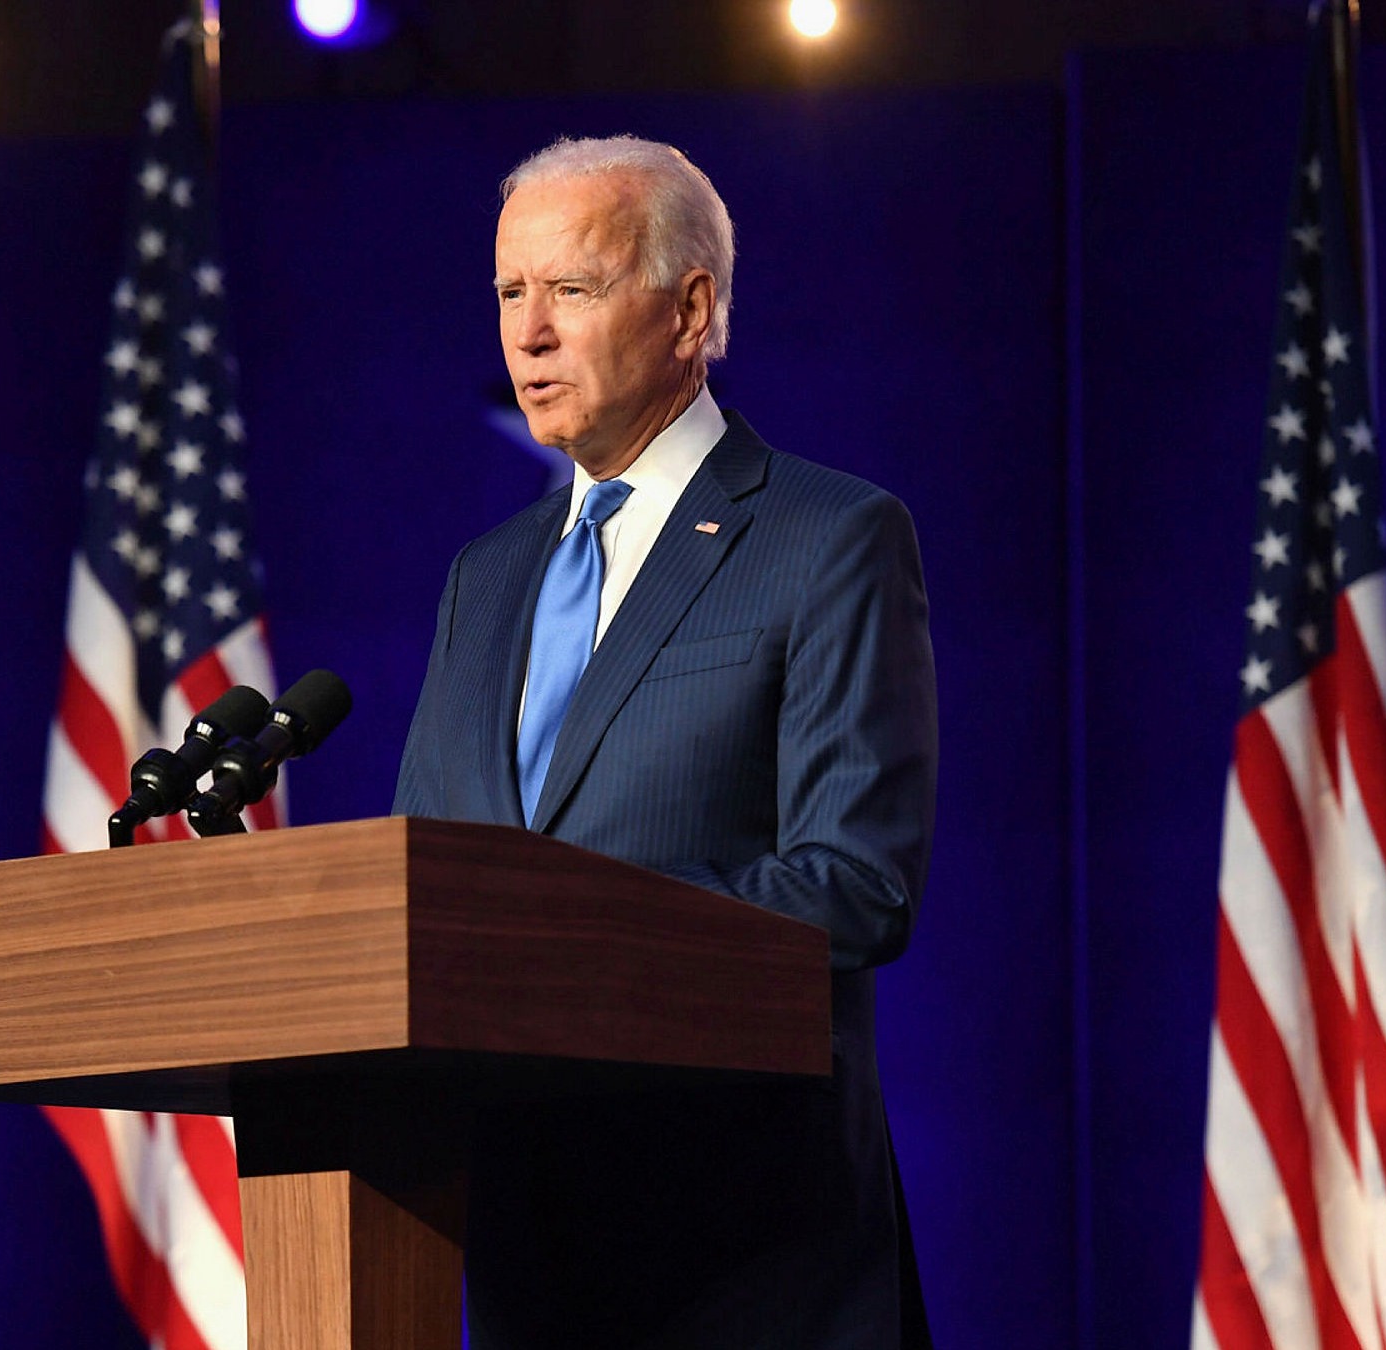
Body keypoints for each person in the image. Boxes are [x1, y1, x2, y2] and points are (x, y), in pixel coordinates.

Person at [393, 135, 940, 1348]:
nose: (527, 333)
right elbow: (428, 883)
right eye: (507, 294)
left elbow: (857, 885)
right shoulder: (482, 582)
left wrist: (572, 923)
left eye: (569, 290)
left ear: (691, 308)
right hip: (527, 1255)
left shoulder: (827, 536)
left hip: (750, 1255)